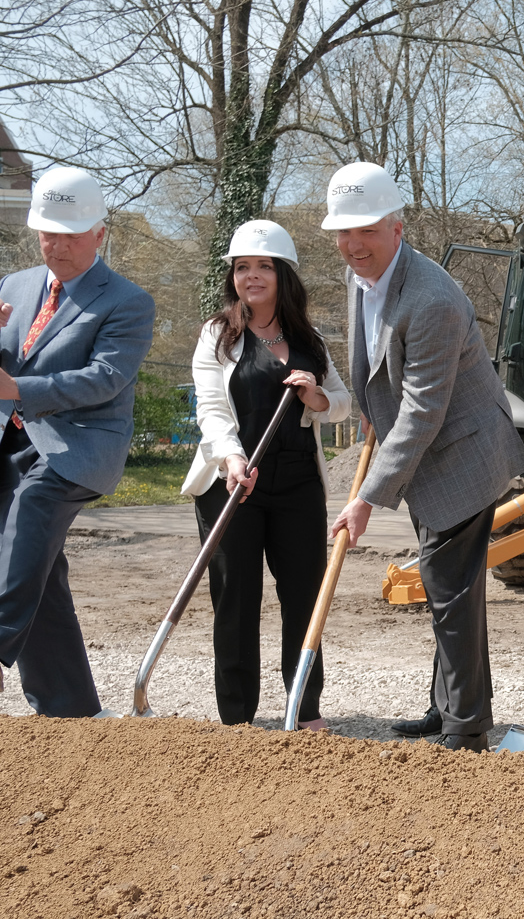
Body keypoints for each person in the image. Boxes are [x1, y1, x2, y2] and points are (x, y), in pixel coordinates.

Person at [324, 161, 524, 752]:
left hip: (462, 454)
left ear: (398, 227)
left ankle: (467, 727)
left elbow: (422, 412)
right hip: (426, 453)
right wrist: (368, 405)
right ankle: (448, 709)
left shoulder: (432, 298)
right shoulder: (360, 274)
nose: (353, 244)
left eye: (366, 230)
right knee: (448, 583)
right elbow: (374, 358)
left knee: (450, 586)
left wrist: (366, 498)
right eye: (344, 231)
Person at [0, 167, 155, 716]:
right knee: (31, 566)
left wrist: (17, 385)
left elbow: (105, 378)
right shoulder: (13, 287)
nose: (59, 245)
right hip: (11, 446)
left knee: (33, 511)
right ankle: (71, 708)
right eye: (49, 233)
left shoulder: (126, 300)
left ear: (99, 232)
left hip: (79, 447)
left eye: (72, 234)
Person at [181, 219, 351, 728]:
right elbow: (210, 410)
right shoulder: (218, 334)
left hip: (298, 482)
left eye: (263, 267)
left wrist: (316, 396)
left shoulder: (309, 338)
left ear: (283, 275)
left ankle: (304, 706)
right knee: (236, 598)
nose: (251, 276)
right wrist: (232, 458)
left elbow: (341, 403)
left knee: (304, 594)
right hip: (232, 483)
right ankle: (237, 716)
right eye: (242, 267)